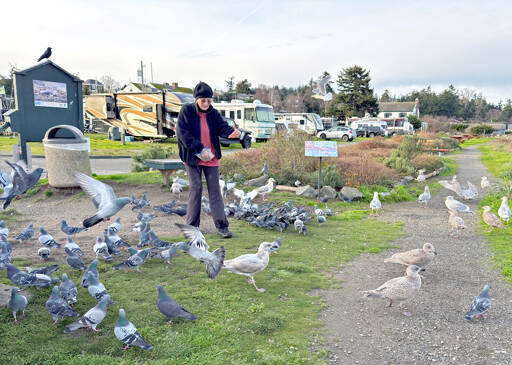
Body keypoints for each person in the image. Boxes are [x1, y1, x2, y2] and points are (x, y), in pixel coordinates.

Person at [177, 81, 241, 238]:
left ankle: (222, 226)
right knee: (196, 188)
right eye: (203, 100)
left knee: (215, 191)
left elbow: (223, 127)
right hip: (193, 157)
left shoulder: (213, 113)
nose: (206, 103)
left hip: (211, 158)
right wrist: (199, 149)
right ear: (197, 99)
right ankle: (192, 228)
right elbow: (182, 133)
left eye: (209, 100)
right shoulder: (187, 111)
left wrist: (231, 133)